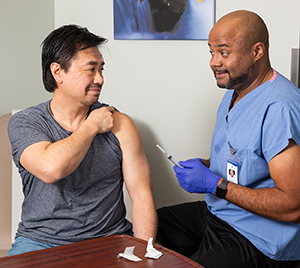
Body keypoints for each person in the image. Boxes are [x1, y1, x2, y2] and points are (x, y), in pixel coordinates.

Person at [157, 10, 300, 268]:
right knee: (152, 227)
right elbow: (247, 155)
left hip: (259, 235)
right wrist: (207, 165)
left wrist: (215, 184)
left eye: (223, 52)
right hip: (222, 211)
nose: (214, 62)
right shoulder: (236, 90)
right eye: (211, 52)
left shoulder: (280, 107)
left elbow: (293, 205)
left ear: (257, 51)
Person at [7, 24, 157, 256]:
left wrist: (145, 251)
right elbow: (51, 169)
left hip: (110, 238)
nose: (100, 79)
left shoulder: (121, 124)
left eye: (101, 69)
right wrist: (91, 126)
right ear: (58, 72)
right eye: (90, 69)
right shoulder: (27, 123)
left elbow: (141, 195)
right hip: (40, 241)